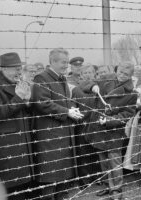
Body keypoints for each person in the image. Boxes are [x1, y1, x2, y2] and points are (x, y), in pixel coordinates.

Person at [32, 48, 84, 200]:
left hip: (61, 133)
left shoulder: (60, 78)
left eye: (67, 62)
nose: (66, 66)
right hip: (50, 134)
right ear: (53, 62)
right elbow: (42, 102)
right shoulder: (42, 78)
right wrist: (66, 111)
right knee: (50, 173)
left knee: (62, 171)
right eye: (63, 62)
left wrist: (71, 109)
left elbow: (61, 101)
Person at [81, 62, 137, 200]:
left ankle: (117, 191)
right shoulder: (106, 79)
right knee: (103, 161)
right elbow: (83, 84)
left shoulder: (131, 93)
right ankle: (108, 186)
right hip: (98, 130)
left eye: (125, 74)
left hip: (113, 132)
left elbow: (127, 114)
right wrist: (92, 86)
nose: (121, 75)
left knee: (115, 163)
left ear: (131, 76)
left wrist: (109, 121)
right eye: (120, 72)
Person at [0, 52, 34, 199]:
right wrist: (19, 98)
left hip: (23, 144)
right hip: (7, 147)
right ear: (3, 69)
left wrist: (27, 102)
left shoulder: (18, 84)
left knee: (24, 188)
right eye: (15, 68)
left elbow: (24, 111)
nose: (19, 71)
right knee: (11, 190)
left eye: (20, 68)